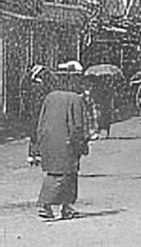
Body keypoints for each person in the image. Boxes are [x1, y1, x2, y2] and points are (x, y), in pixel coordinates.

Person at [35, 86, 89, 220]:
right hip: (67, 141)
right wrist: (82, 143)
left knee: (55, 171)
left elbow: (41, 120)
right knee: (65, 174)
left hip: (48, 139)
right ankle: (49, 204)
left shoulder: (50, 97)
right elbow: (78, 125)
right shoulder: (76, 99)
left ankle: (65, 207)